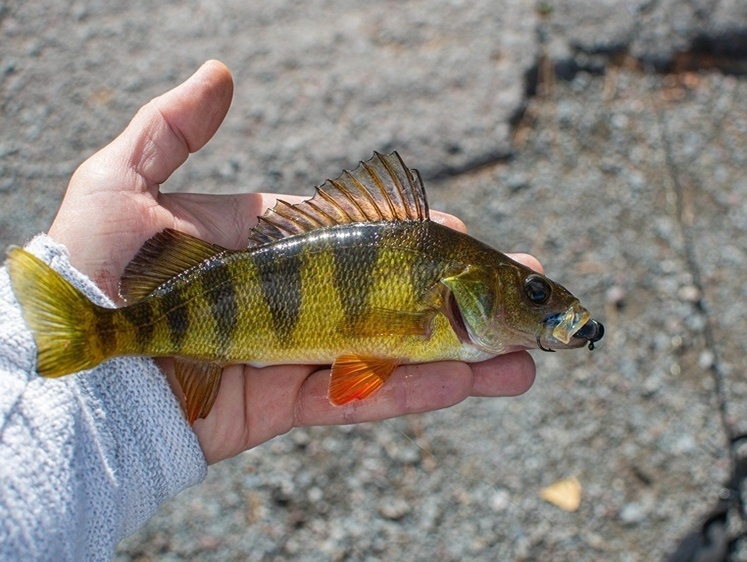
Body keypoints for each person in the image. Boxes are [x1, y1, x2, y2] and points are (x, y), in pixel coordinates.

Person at [0, 60, 538, 560]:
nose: (539, 303)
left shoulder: (438, 291)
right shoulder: (437, 291)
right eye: (531, 293)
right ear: (469, 287)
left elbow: (362, 363)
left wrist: (69, 406)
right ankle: (91, 333)